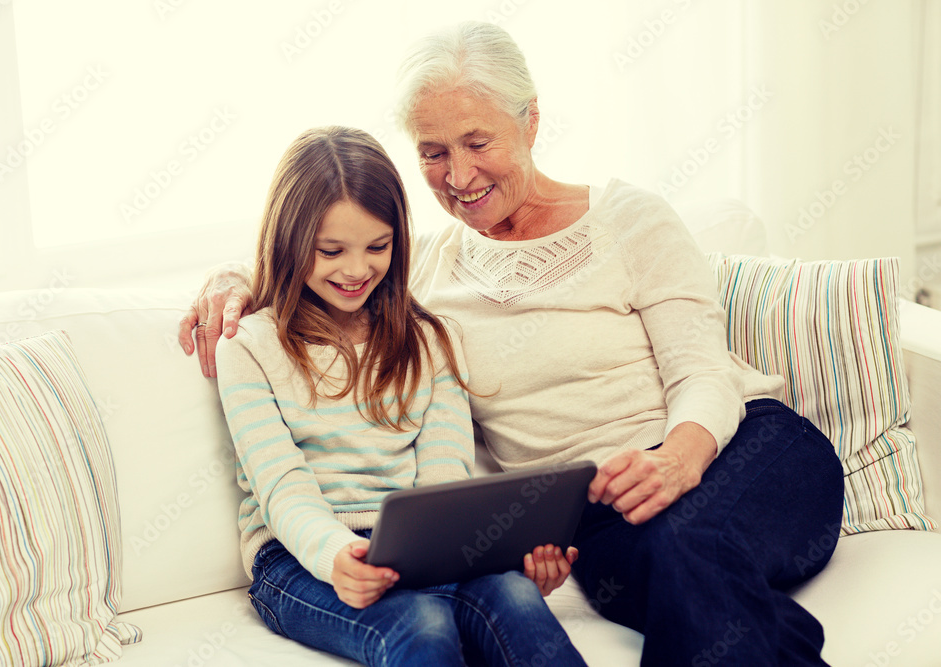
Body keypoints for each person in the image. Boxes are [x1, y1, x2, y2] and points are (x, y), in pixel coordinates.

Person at [183, 23, 845, 667]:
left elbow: (702, 371)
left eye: (477, 141)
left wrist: (677, 458)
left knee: (688, 545)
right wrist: (231, 281)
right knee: (699, 578)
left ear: (530, 122)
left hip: (741, 451)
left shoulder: (629, 219)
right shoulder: (423, 274)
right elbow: (326, 250)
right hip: (609, 516)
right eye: (434, 151)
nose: (459, 173)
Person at [212, 125, 587, 667]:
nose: (357, 269)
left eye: (378, 246)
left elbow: (443, 480)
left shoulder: (430, 340)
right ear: (290, 241)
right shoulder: (249, 346)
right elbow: (282, 489)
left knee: (514, 598)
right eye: (331, 250)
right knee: (422, 623)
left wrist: (484, 559)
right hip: (295, 557)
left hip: (413, 551)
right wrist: (337, 554)